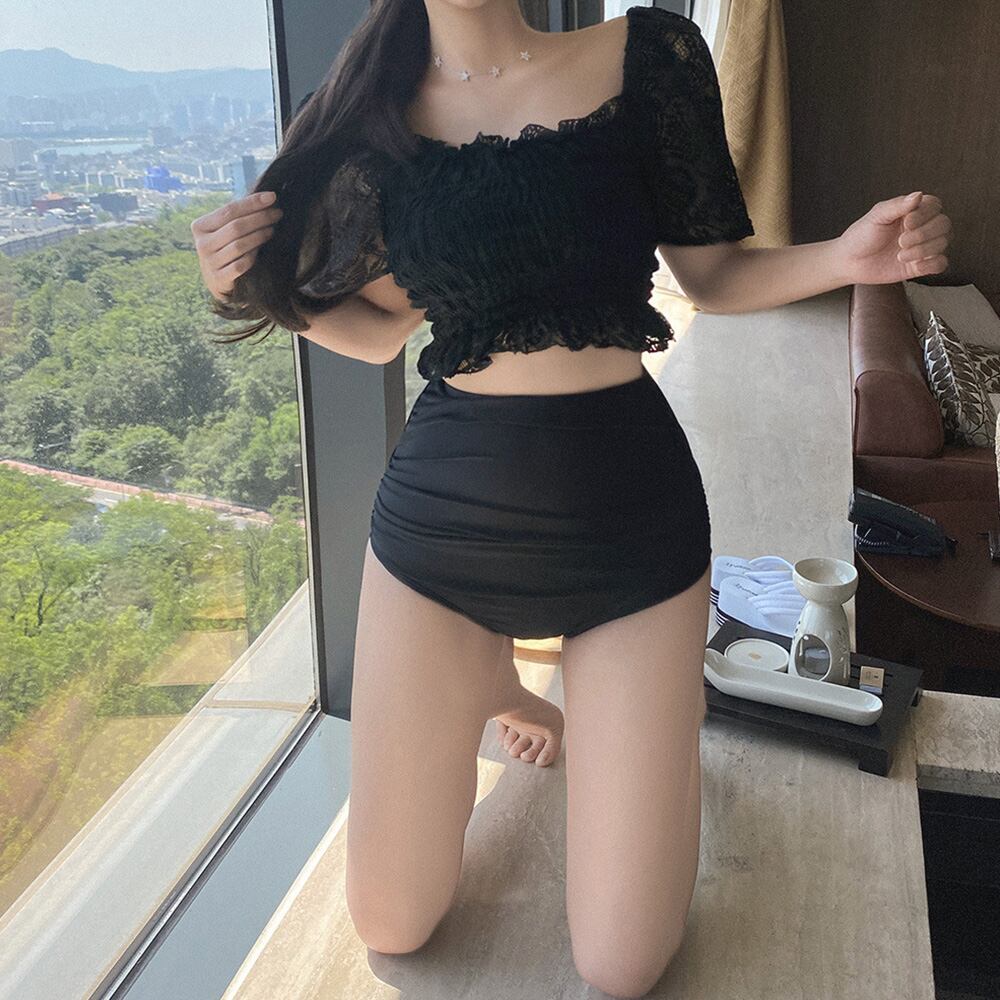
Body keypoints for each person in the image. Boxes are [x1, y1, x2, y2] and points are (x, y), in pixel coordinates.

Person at [190, 2, 950, 996]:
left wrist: (847, 258)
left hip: (629, 523)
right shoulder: (367, 116)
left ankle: (621, 720)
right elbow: (376, 333)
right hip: (441, 529)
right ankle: (491, 677)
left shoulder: (649, 54)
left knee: (623, 964)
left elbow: (712, 275)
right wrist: (248, 286)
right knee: (392, 921)